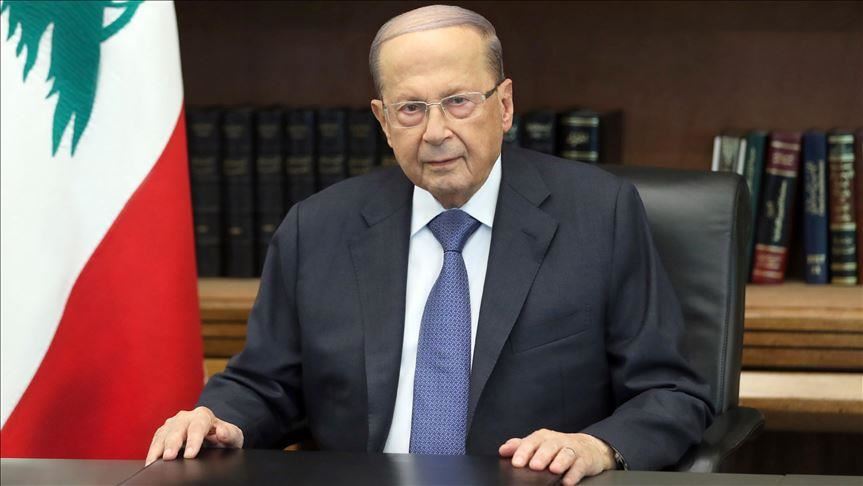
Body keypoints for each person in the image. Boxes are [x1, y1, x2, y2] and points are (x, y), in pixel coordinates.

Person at [146, 5, 713, 484]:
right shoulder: (317, 228)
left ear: (504, 106)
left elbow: (671, 392)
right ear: (383, 120)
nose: (436, 132)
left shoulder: (599, 215)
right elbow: (265, 382)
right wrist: (219, 419)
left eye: (459, 101)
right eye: (411, 109)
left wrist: (597, 447)